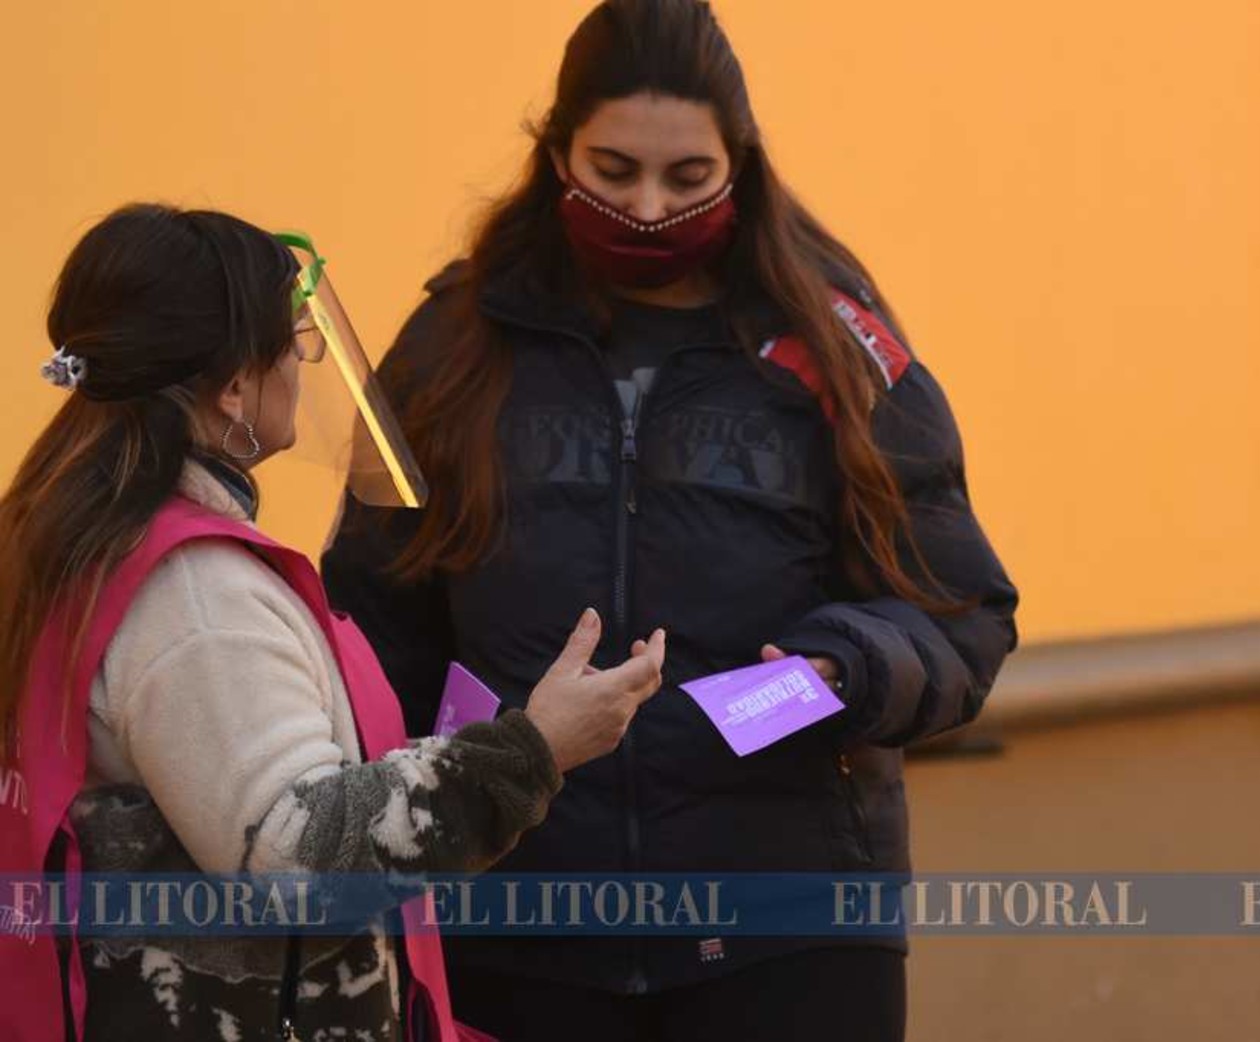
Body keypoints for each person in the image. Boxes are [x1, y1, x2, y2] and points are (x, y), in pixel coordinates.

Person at [322, 1, 1019, 1039]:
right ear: (555, 150)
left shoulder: (835, 347)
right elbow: (370, 616)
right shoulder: (454, 342)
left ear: (738, 164)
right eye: (613, 171)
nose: (648, 206)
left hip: (787, 932)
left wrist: (845, 668)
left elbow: (958, 610)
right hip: (514, 923)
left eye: (686, 179)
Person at [0, 203, 666, 1042]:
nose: (303, 365)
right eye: (294, 341)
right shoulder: (197, 597)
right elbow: (297, 861)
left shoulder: (85, 537)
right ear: (234, 385)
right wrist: (537, 748)